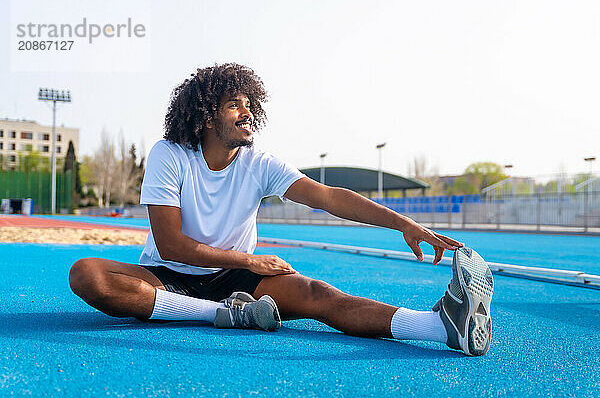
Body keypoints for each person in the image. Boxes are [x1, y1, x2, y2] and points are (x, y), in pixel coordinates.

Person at [69, 63, 493, 356]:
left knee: (320, 295)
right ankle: (224, 313)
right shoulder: (171, 153)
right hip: (169, 275)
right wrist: (251, 259)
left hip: (239, 279)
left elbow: (329, 196)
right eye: (234, 104)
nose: (247, 111)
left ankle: (439, 327)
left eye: (249, 103)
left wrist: (402, 222)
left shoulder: (261, 165)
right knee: (87, 275)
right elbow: (172, 244)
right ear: (205, 114)